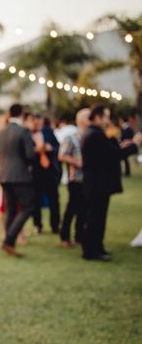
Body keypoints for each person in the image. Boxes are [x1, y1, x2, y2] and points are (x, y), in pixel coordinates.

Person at [81, 104, 138, 261]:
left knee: (97, 217)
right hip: (97, 184)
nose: (108, 120)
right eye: (105, 117)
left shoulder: (94, 133)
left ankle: (96, 247)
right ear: (98, 117)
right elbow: (112, 155)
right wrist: (134, 145)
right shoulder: (95, 135)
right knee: (95, 218)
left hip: (95, 183)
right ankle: (92, 250)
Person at [0, 103, 36, 257]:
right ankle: (9, 239)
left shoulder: (1, 131)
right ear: (21, 114)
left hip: (4, 175)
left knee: (11, 210)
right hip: (20, 175)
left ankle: (8, 242)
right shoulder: (24, 131)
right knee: (28, 208)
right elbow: (30, 156)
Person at [58, 109, 89, 248]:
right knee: (72, 208)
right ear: (82, 120)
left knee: (84, 209)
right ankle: (64, 236)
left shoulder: (90, 136)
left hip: (88, 179)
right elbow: (62, 155)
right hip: (75, 179)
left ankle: (80, 236)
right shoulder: (71, 137)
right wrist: (78, 162)